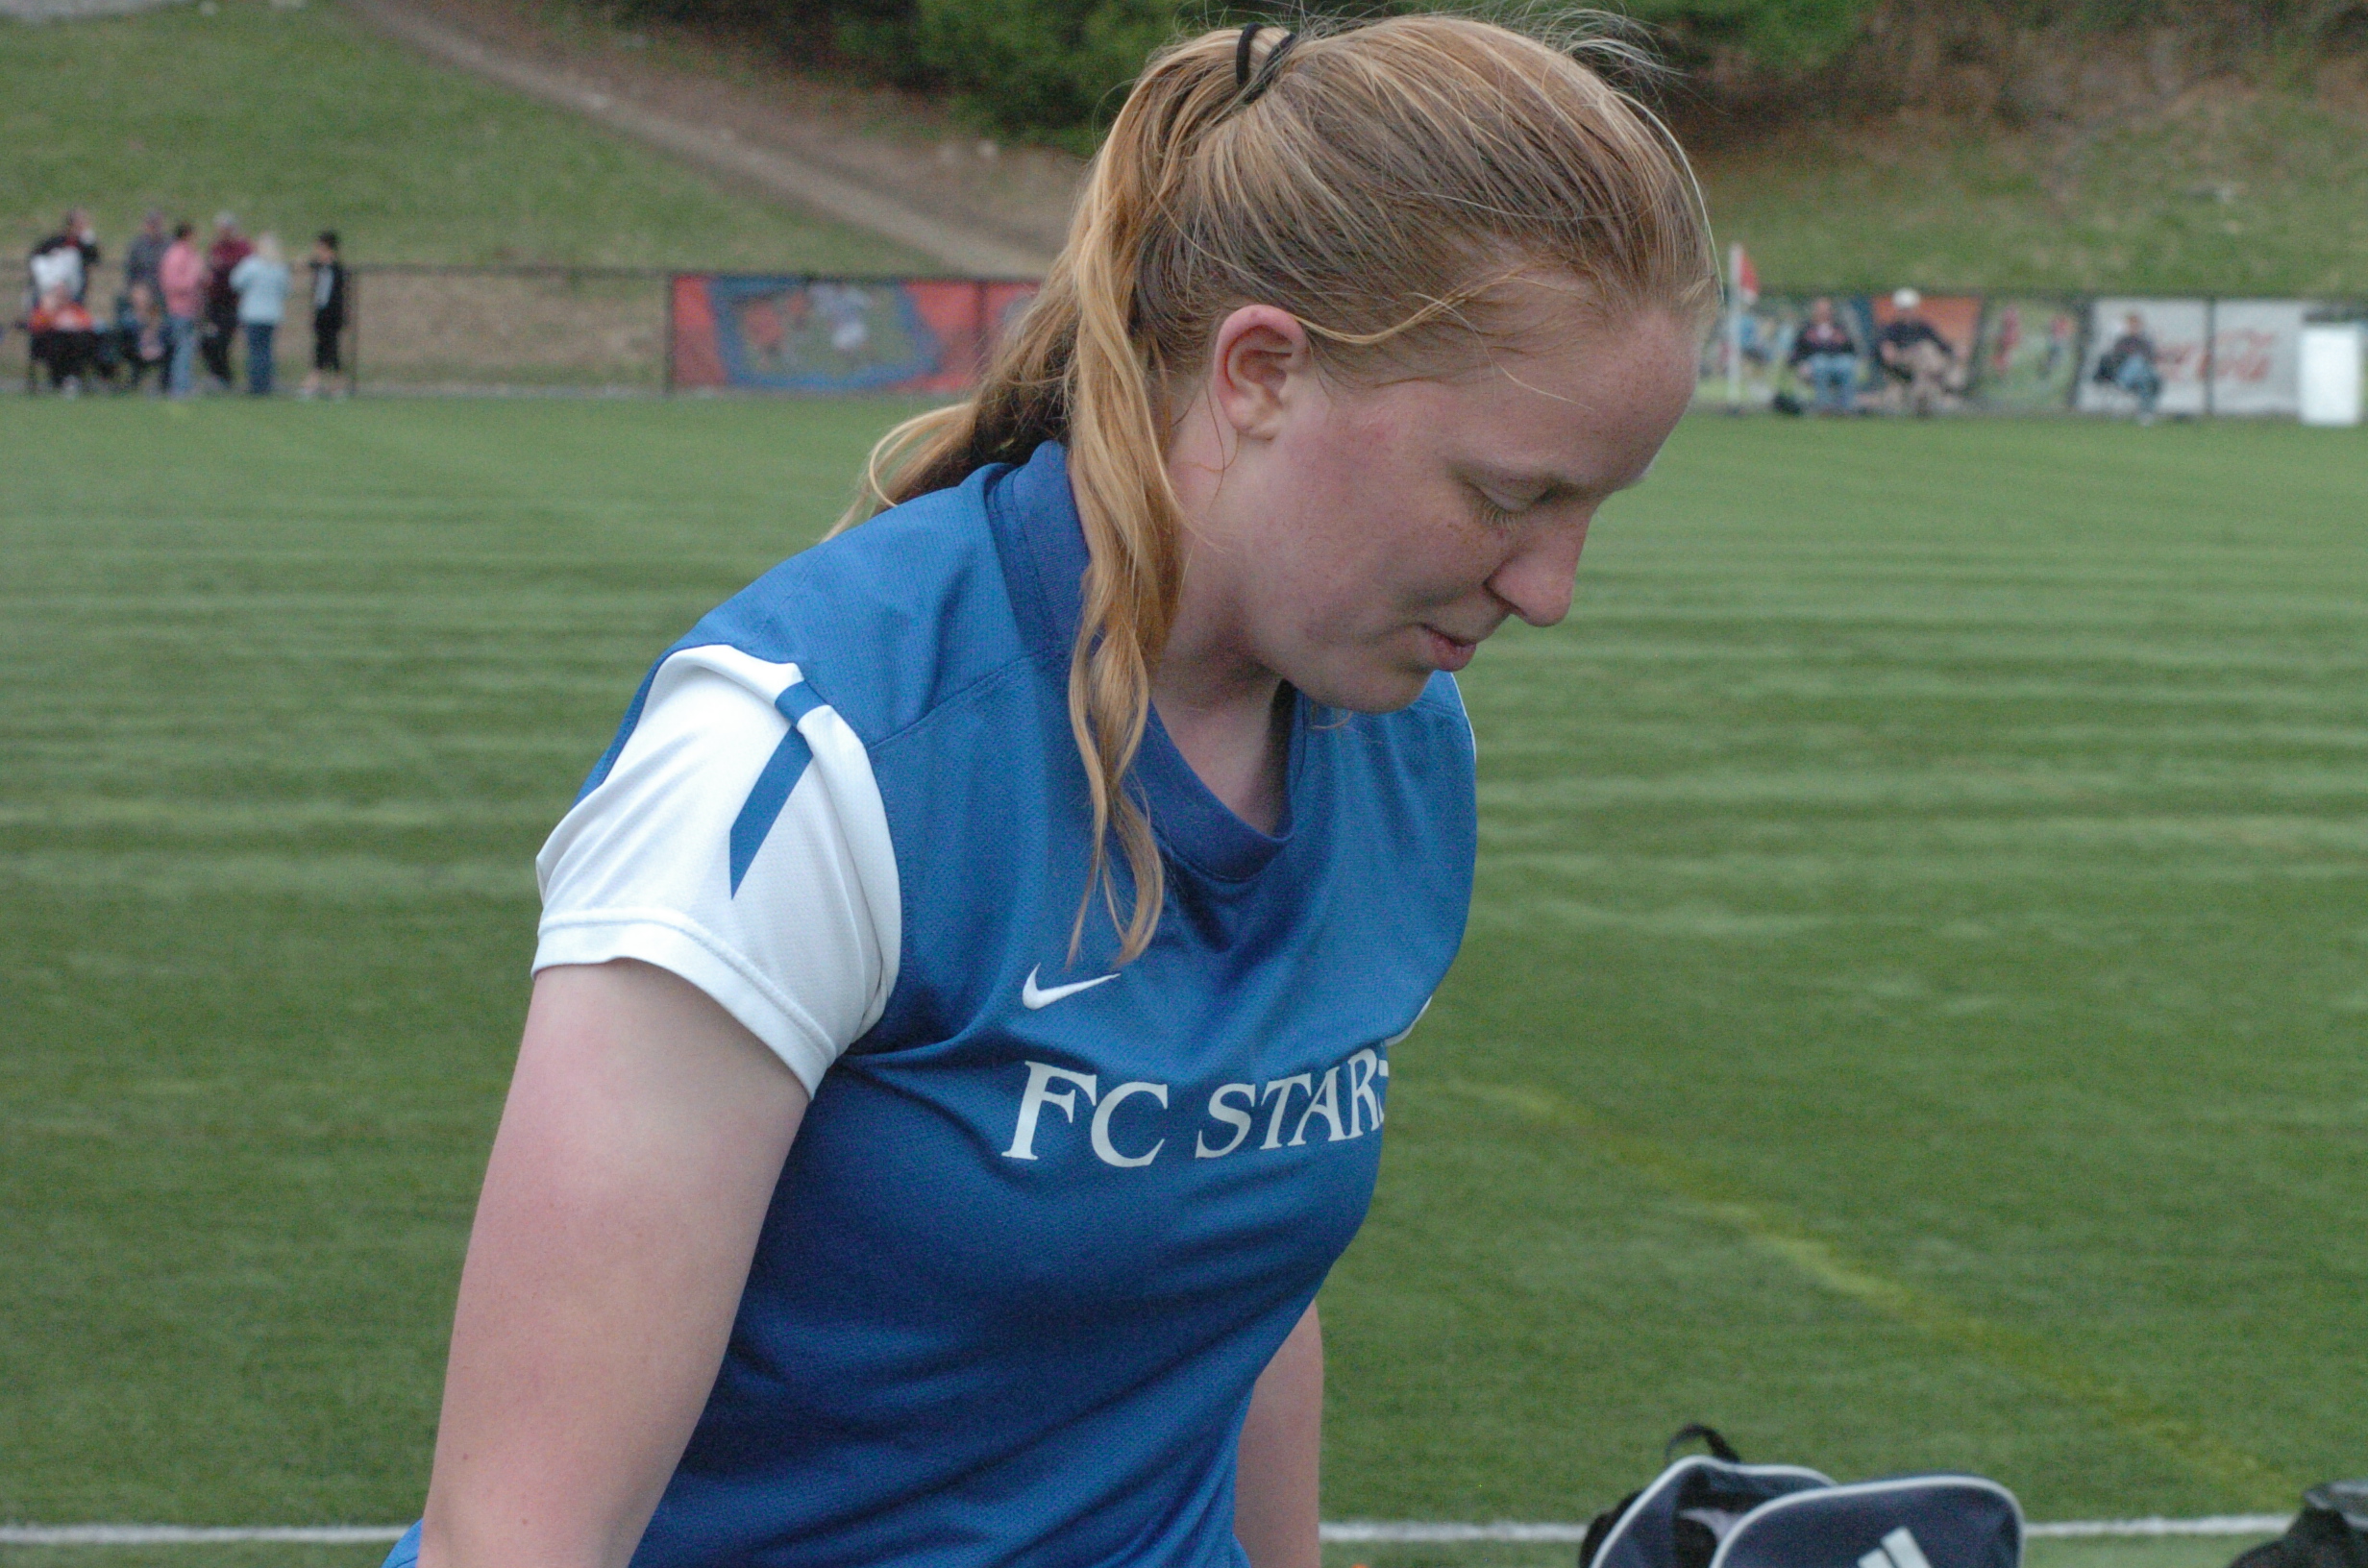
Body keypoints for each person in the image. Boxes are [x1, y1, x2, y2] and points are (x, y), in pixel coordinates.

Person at [383, 14, 1713, 1568]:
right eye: (1506, 495)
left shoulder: (1403, 743)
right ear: (1261, 371)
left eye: (1591, 510)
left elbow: (1232, 1300)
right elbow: (514, 1538)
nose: (1549, 589)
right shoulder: (807, 768)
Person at [1875, 287, 1958, 415]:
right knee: (1925, 349)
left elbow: (1942, 345)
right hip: (1904, 362)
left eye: (1909, 309)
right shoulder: (1892, 328)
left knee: (1925, 355)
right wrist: (1887, 349)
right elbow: (1885, 351)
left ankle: (1922, 396)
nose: (1907, 313)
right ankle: (1927, 389)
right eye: (1904, 309)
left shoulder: (1924, 327)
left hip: (1923, 365)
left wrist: (1956, 350)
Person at [229, 233, 291, 396]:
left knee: (254, 350)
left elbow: (235, 282)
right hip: (272, 314)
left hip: (253, 314)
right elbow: (286, 289)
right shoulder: (279, 267)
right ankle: (266, 384)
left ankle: (255, 385)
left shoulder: (251, 265)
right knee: (266, 350)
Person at [201, 212, 251, 390]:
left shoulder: (242, 247)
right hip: (214, 302)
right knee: (208, 340)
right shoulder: (215, 247)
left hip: (232, 303)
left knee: (223, 340)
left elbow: (244, 270)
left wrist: (223, 267)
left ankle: (225, 378)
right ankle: (219, 375)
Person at [1787, 296, 1860, 414]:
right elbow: (1796, 351)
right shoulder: (1806, 329)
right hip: (1815, 364)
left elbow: (1851, 350)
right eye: (1820, 310)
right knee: (1820, 364)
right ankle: (1824, 407)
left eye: (1826, 310)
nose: (1823, 313)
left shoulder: (1839, 328)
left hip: (1837, 362)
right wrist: (1801, 364)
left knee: (1846, 365)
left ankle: (1847, 408)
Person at [159, 221, 206, 398]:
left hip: (191, 308)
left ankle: (184, 384)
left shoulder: (190, 254)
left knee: (188, 349)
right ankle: (180, 387)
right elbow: (172, 283)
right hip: (179, 308)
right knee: (182, 349)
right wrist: (194, 279)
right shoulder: (176, 255)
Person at [302, 231, 348, 398]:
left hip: (332, 315)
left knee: (330, 348)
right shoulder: (319, 267)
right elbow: (308, 263)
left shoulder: (337, 269)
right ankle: (321, 382)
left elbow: (338, 295)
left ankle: (322, 383)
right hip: (321, 313)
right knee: (322, 348)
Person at [2094, 310, 2162, 424]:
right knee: (2138, 361)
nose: (2134, 326)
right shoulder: (2122, 341)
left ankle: (2145, 412)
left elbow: (2151, 359)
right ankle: (2146, 412)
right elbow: (2116, 360)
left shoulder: (2144, 342)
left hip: (2140, 376)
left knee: (2145, 378)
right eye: (2132, 324)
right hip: (2122, 374)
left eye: (2136, 324)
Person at [124, 210, 169, 303]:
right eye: (151, 224)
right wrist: (134, 289)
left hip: (165, 288)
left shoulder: (169, 245)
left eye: (156, 224)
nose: (154, 228)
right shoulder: (137, 246)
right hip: (143, 288)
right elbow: (130, 272)